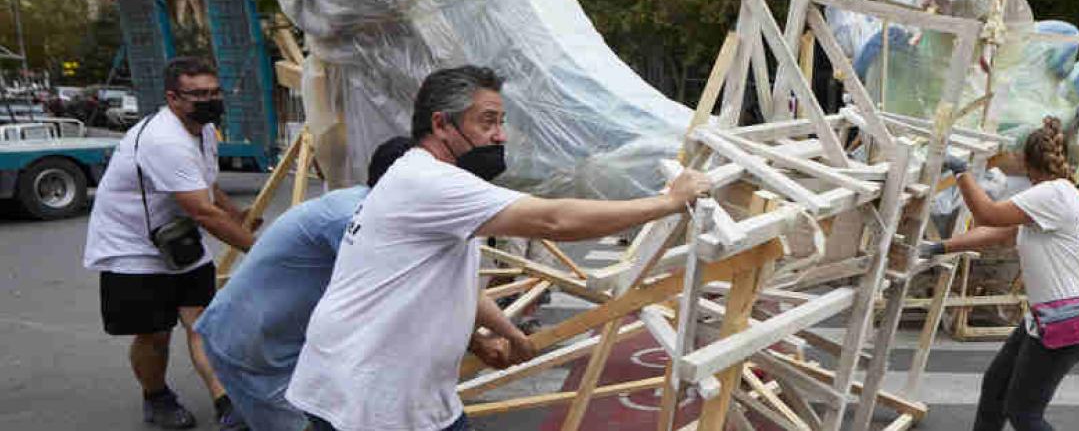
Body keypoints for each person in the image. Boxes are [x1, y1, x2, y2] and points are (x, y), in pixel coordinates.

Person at [286, 65, 713, 431]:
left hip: (400, 391)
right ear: (441, 125)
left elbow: (451, 285)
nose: (500, 135)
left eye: (501, 121)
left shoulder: (431, 185)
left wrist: (498, 336)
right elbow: (554, 219)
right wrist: (669, 202)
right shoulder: (429, 182)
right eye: (487, 122)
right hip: (368, 397)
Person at [194, 136, 421, 431]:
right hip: (253, 346)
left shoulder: (363, 202)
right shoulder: (355, 218)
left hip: (276, 339)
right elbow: (391, 295)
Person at [83, 56, 255, 430]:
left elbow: (205, 184)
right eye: (199, 94)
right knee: (155, 334)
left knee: (203, 323)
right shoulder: (164, 140)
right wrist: (258, 250)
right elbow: (201, 212)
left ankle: (225, 401)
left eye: (214, 91)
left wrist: (236, 212)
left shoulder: (204, 128)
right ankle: (156, 397)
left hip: (180, 242)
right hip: (133, 248)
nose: (210, 100)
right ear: (173, 98)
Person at [922, 116, 1079, 431]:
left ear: (1027, 162)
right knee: (995, 387)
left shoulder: (1053, 194)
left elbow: (987, 213)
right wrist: (940, 247)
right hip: (1049, 316)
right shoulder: (1059, 195)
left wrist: (961, 171)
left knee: (1023, 413)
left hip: (1064, 321)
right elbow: (997, 232)